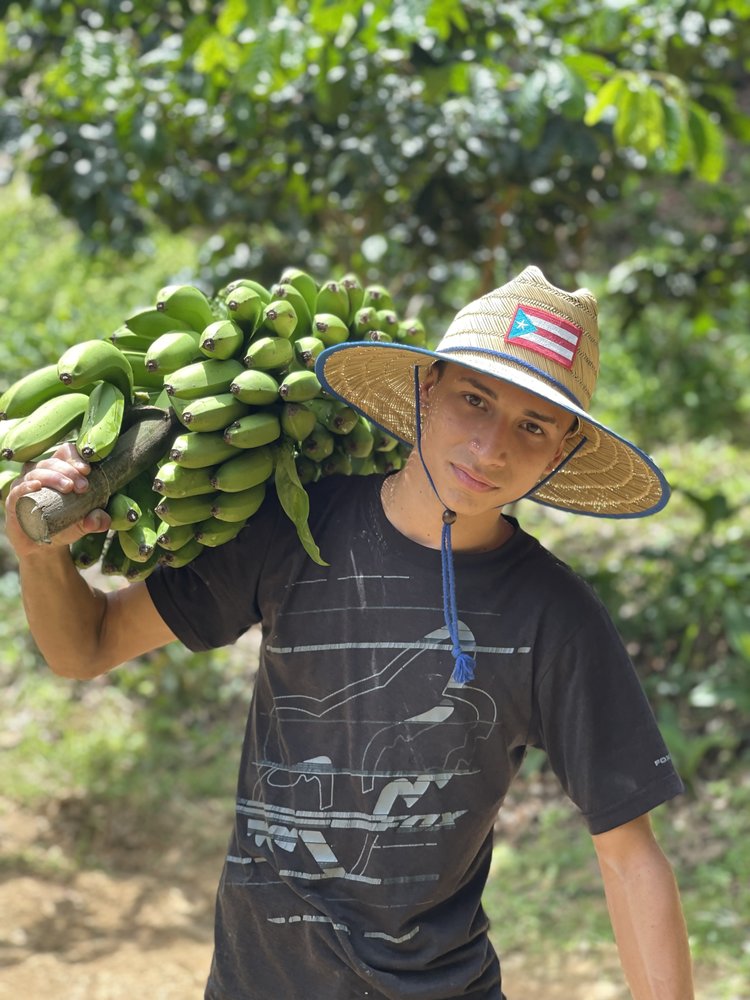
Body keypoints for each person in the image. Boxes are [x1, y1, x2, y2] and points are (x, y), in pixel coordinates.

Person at [5, 265, 694, 999]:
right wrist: (39, 555)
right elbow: (87, 647)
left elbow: (629, 854)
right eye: (475, 399)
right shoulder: (294, 528)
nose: (492, 447)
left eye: (532, 426)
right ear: (426, 388)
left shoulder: (555, 616)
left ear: (559, 453)